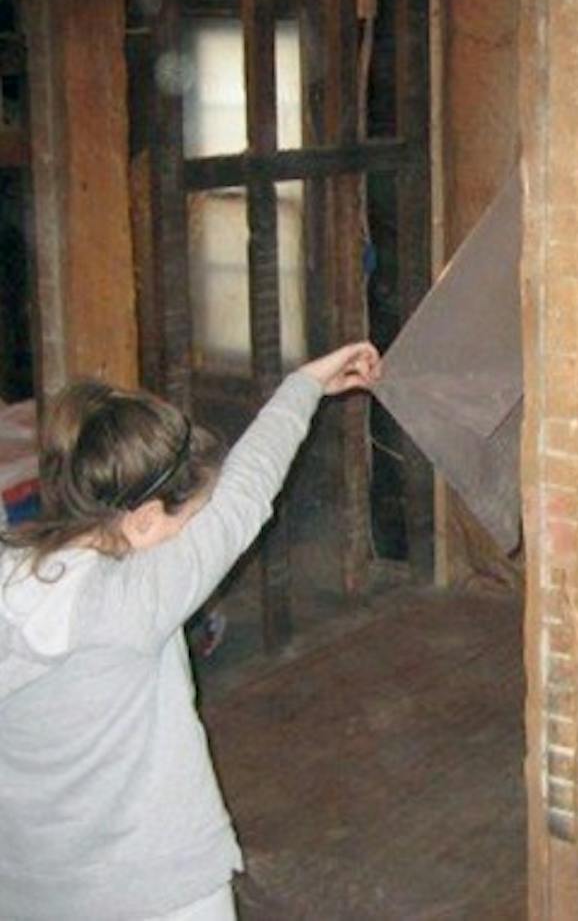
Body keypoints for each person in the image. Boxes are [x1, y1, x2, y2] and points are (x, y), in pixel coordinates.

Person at [0, 341, 381, 920]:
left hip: (32, 894)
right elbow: (247, 494)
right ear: (145, 521)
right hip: (161, 891)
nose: (196, 533)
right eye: (192, 518)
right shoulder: (136, 601)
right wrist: (303, 384)